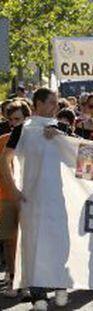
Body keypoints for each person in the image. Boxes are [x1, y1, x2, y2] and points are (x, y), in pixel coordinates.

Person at [0, 88, 70, 310]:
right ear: (38, 103)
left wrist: (61, 138)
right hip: (31, 199)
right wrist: (13, 189)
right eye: (51, 102)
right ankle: (38, 292)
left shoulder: (63, 128)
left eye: (57, 102)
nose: (55, 106)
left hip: (59, 199)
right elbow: (5, 159)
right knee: (32, 242)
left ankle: (60, 284)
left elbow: (84, 158)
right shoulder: (22, 129)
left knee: (59, 241)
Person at [0, 100, 31, 298]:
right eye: (11, 120)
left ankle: (27, 281)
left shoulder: (35, 139)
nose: (14, 123)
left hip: (30, 195)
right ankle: (12, 278)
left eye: (18, 119)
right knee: (10, 241)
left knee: (28, 239)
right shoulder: (2, 140)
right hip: (6, 196)